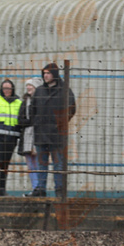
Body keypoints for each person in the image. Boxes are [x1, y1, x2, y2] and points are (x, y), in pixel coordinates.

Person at [29, 62, 76, 198]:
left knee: (58, 164)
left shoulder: (65, 90)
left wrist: (61, 123)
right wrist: (36, 123)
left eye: (48, 73)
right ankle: (40, 189)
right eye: (44, 73)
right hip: (41, 134)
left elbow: (72, 108)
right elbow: (33, 110)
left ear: (54, 75)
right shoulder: (39, 91)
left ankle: (59, 190)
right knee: (41, 164)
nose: (45, 76)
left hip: (57, 135)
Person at [17, 77, 44, 196]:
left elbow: (37, 119)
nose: (28, 87)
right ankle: (35, 188)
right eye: (27, 85)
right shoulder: (24, 102)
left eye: (31, 86)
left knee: (38, 163)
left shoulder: (41, 101)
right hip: (26, 136)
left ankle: (39, 188)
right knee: (30, 164)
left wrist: (28, 121)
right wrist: (29, 122)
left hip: (37, 135)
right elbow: (20, 120)